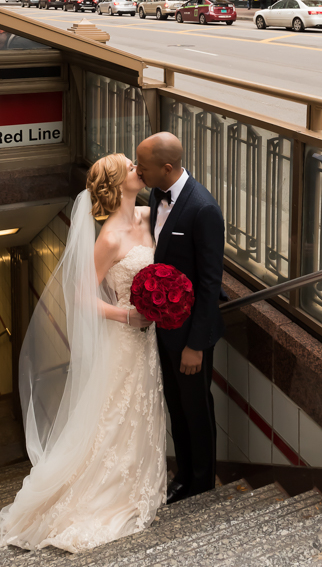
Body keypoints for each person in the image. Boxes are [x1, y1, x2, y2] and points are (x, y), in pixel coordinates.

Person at [0, 154, 166, 554]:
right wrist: (127, 316)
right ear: (115, 185)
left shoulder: (150, 215)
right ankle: (105, 495)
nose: (136, 167)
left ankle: (140, 484)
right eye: (129, 166)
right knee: (116, 416)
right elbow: (80, 297)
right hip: (125, 338)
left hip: (148, 343)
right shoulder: (109, 238)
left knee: (141, 411)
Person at [135, 132, 225, 504]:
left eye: (143, 166)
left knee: (196, 410)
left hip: (190, 337)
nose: (138, 171)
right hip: (164, 329)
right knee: (176, 405)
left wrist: (196, 346)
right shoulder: (156, 194)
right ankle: (183, 476)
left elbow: (209, 284)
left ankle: (202, 484)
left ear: (167, 168)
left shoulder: (203, 209)